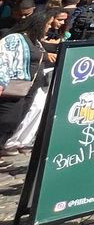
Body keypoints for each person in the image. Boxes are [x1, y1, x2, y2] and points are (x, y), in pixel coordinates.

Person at [1, 11, 61, 154]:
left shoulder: (35, 41)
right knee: (6, 120)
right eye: (47, 24)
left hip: (28, 88)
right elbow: (3, 59)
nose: (48, 28)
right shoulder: (15, 38)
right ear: (39, 24)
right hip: (13, 88)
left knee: (16, 120)